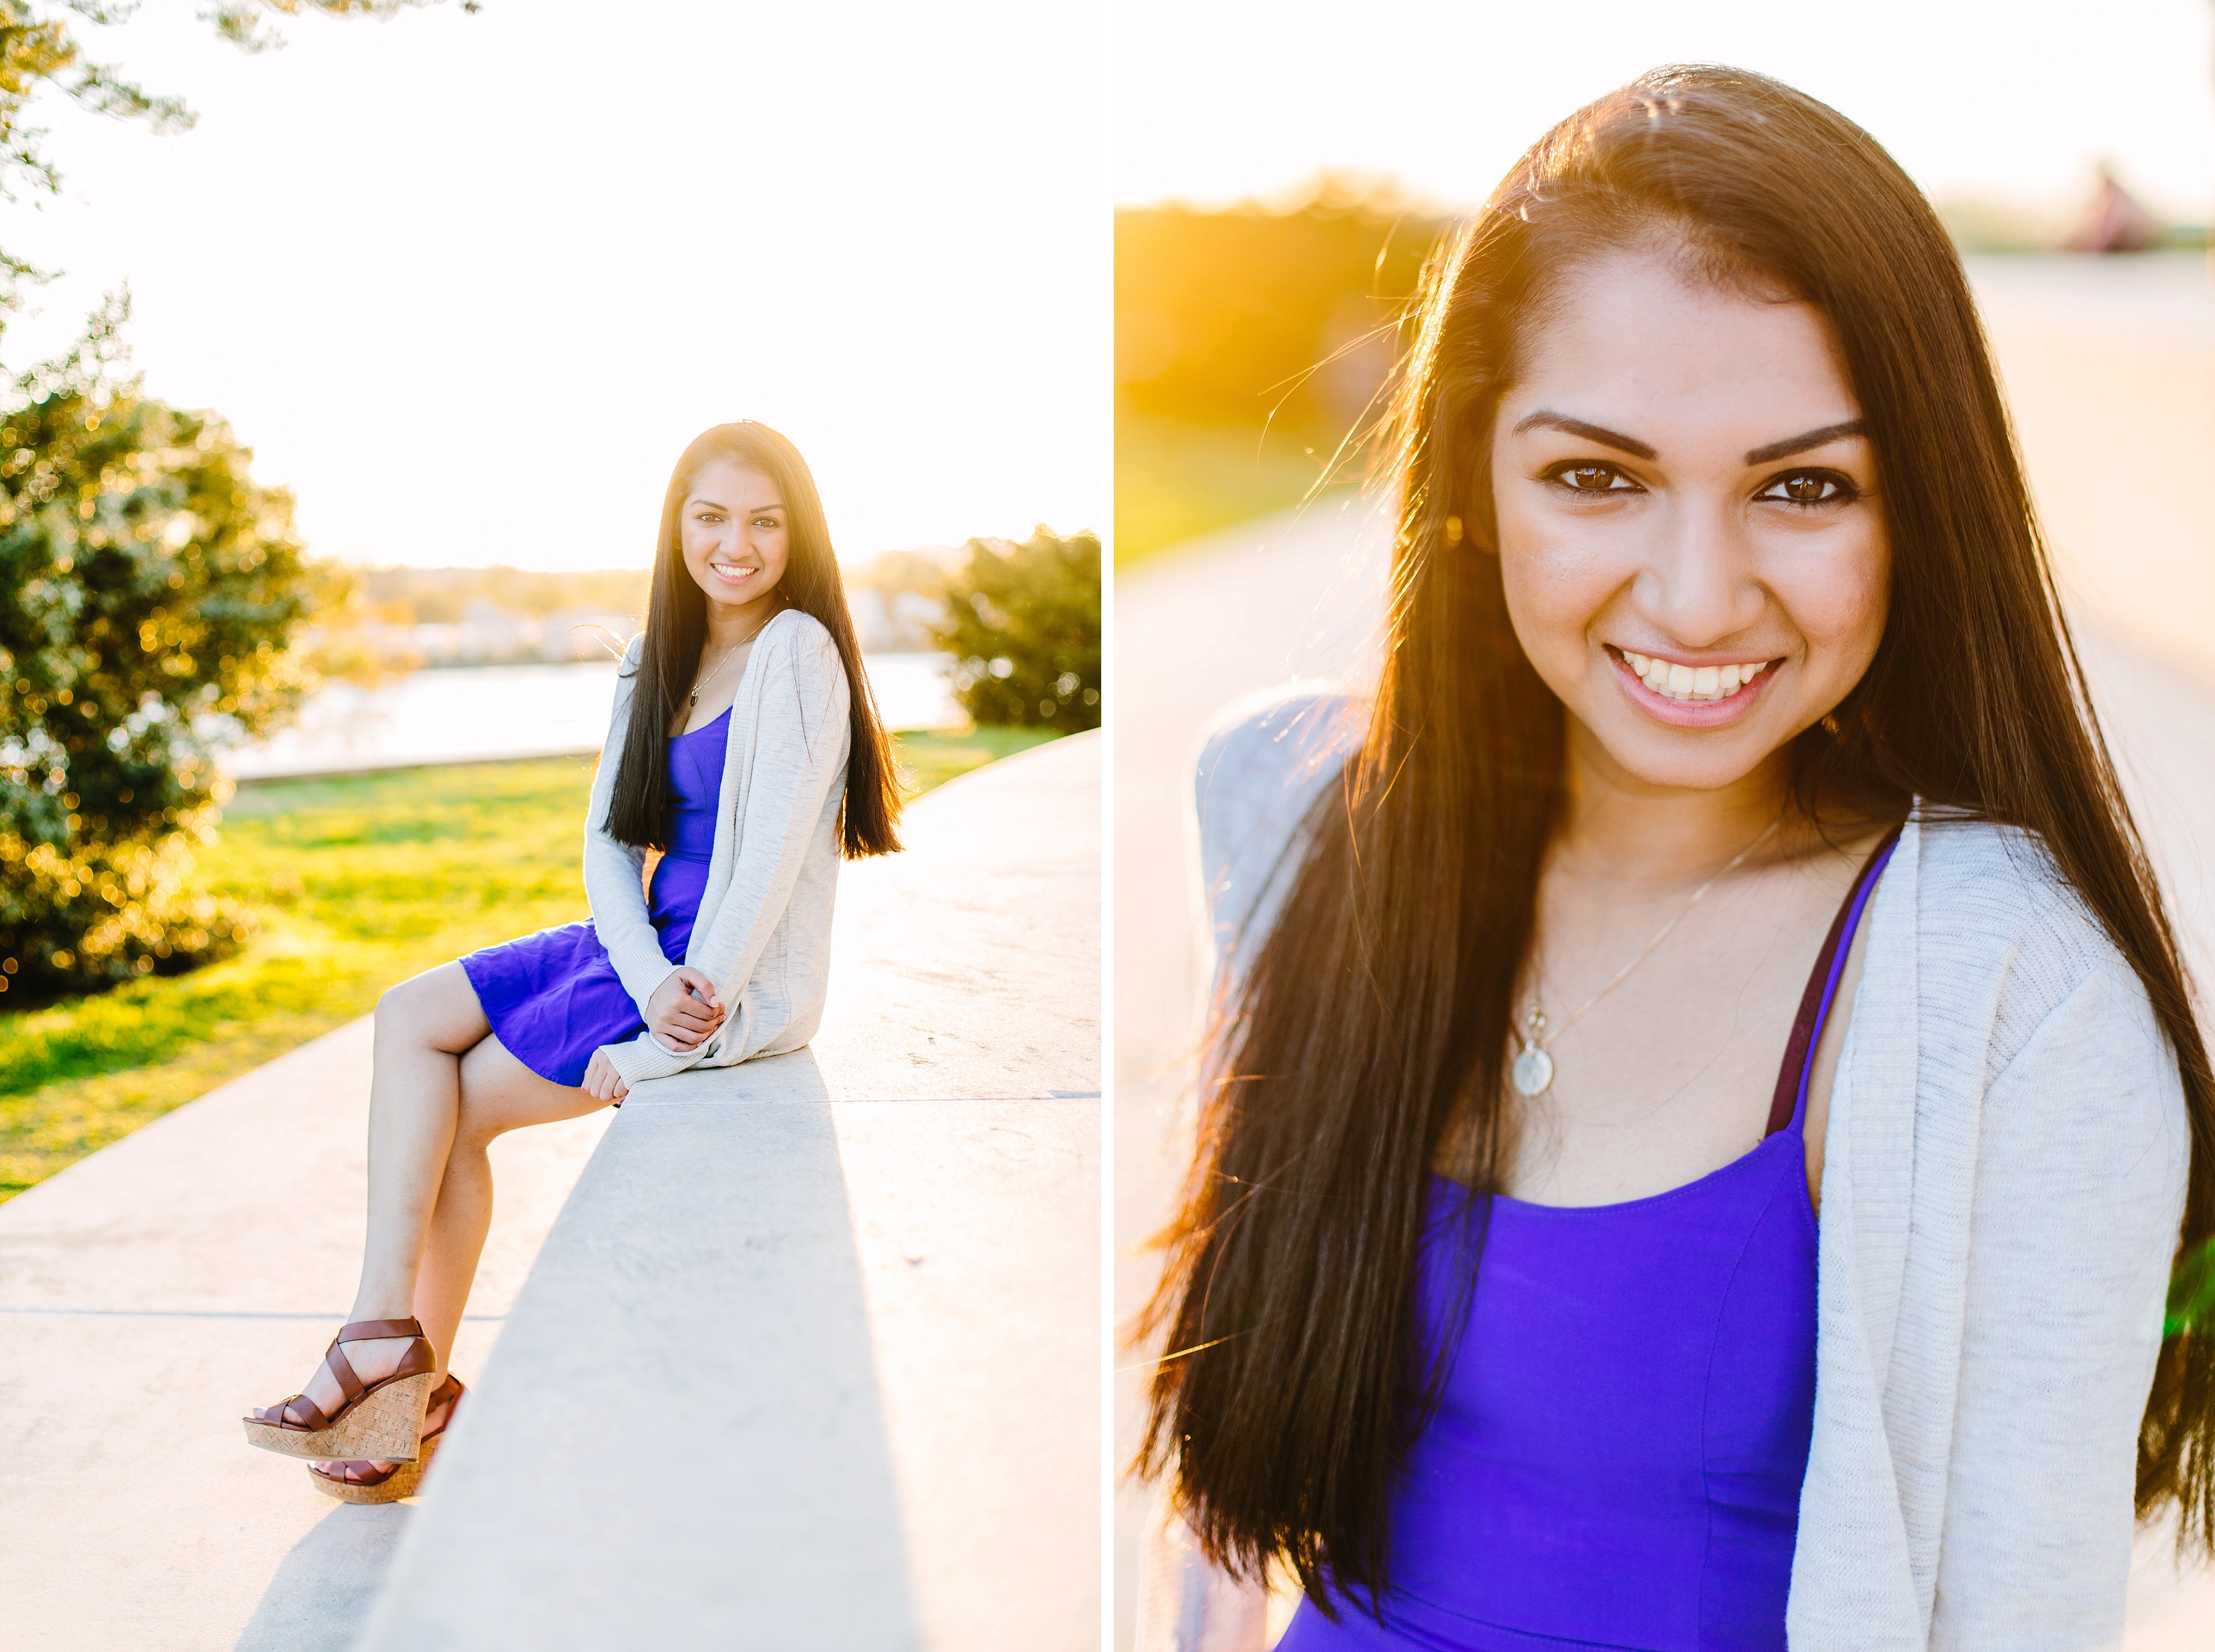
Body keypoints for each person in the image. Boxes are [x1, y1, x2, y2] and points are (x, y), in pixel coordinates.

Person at [1135, 67, 2211, 1650]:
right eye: (1597, 476)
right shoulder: (1291, 809)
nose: (1699, 600)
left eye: (1802, 487)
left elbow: (2020, 1615)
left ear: (1918, 513)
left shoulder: (2015, 1002)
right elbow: (1238, 1491)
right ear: (1474, 492)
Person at [242, 420, 902, 1501]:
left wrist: (676, 1018)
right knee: (406, 1013)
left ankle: (398, 1371)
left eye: (764, 521)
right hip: (639, 947)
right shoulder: (654, 653)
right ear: (677, 527)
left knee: (457, 1102)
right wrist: (641, 972)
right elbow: (605, 841)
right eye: (712, 517)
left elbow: (773, 856)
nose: (737, 543)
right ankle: (393, 1354)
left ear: (798, 535)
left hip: (715, 965)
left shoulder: (799, 650)